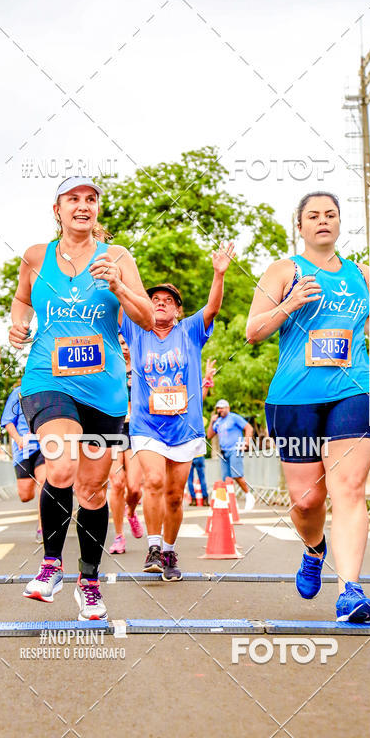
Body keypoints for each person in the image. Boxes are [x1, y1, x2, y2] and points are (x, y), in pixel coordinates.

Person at [10, 176, 154, 619]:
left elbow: (148, 318)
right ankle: (51, 564)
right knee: (62, 462)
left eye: (90, 199)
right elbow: (21, 299)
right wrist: (17, 325)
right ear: (58, 209)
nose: (83, 206)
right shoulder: (37, 257)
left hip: (106, 389)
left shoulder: (118, 258)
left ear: (97, 209)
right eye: (73, 199)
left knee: (92, 490)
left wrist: (120, 288)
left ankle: (88, 583)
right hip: (47, 379)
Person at [246, 191, 370, 623]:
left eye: (331, 214)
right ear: (300, 226)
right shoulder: (285, 270)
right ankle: (313, 548)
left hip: (355, 389)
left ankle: (350, 591)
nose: (323, 220)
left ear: (340, 223)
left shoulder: (361, 274)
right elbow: (253, 331)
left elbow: (369, 329)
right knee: (307, 501)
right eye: (313, 215)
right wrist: (289, 304)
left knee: (348, 491)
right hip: (295, 396)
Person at [121, 243, 234, 582]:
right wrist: (118, 281)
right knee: (153, 481)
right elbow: (118, 304)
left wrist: (219, 273)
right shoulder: (136, 330)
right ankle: (153, 547)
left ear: (179, 311)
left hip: (184, 428)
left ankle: (169, 549)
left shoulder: (189, 332)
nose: (160, 303)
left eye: (168, 300)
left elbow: (212, 308)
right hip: (146, 424)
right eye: (154, 299)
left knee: (174, 495)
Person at [108, 334, 144, 554]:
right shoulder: (109, 369)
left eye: (128, 343)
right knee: (117, 483)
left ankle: (130, 512)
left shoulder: (141, 369)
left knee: (134, 487)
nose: (125, 347)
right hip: (113, 429)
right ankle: (119, 536)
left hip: (135, 430)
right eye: (120, 343)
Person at [1, 379, 46, 542]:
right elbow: (7, 421)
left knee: (44, 482)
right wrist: (18, 439)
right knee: (25, 495)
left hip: (45, 445)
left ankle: (43, 527)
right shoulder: (18, 393)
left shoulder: (49, 390)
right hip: (24, 448)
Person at [207, 400, 255, 510]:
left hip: (235, 449)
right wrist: (211, 422)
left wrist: (246, 443)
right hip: (224, 452)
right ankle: (232, 503)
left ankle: (249, 496)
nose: (220, 410)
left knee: (237, 475)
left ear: (228, 408)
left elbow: (249, 428)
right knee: (226, 479)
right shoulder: (218, 421)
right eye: (218, 408)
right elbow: (209, 435)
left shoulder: (234, 417)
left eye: (222, 408)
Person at [186, 359, 216, 507]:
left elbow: (201, 396)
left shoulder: (191, 408)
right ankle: (203, 499)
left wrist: (207, 378)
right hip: (194, 452)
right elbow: (201, 396)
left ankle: (193, 499)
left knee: (191, 479)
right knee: (200, 478)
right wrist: (207, 378)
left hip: (192, 452)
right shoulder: (202, 418)